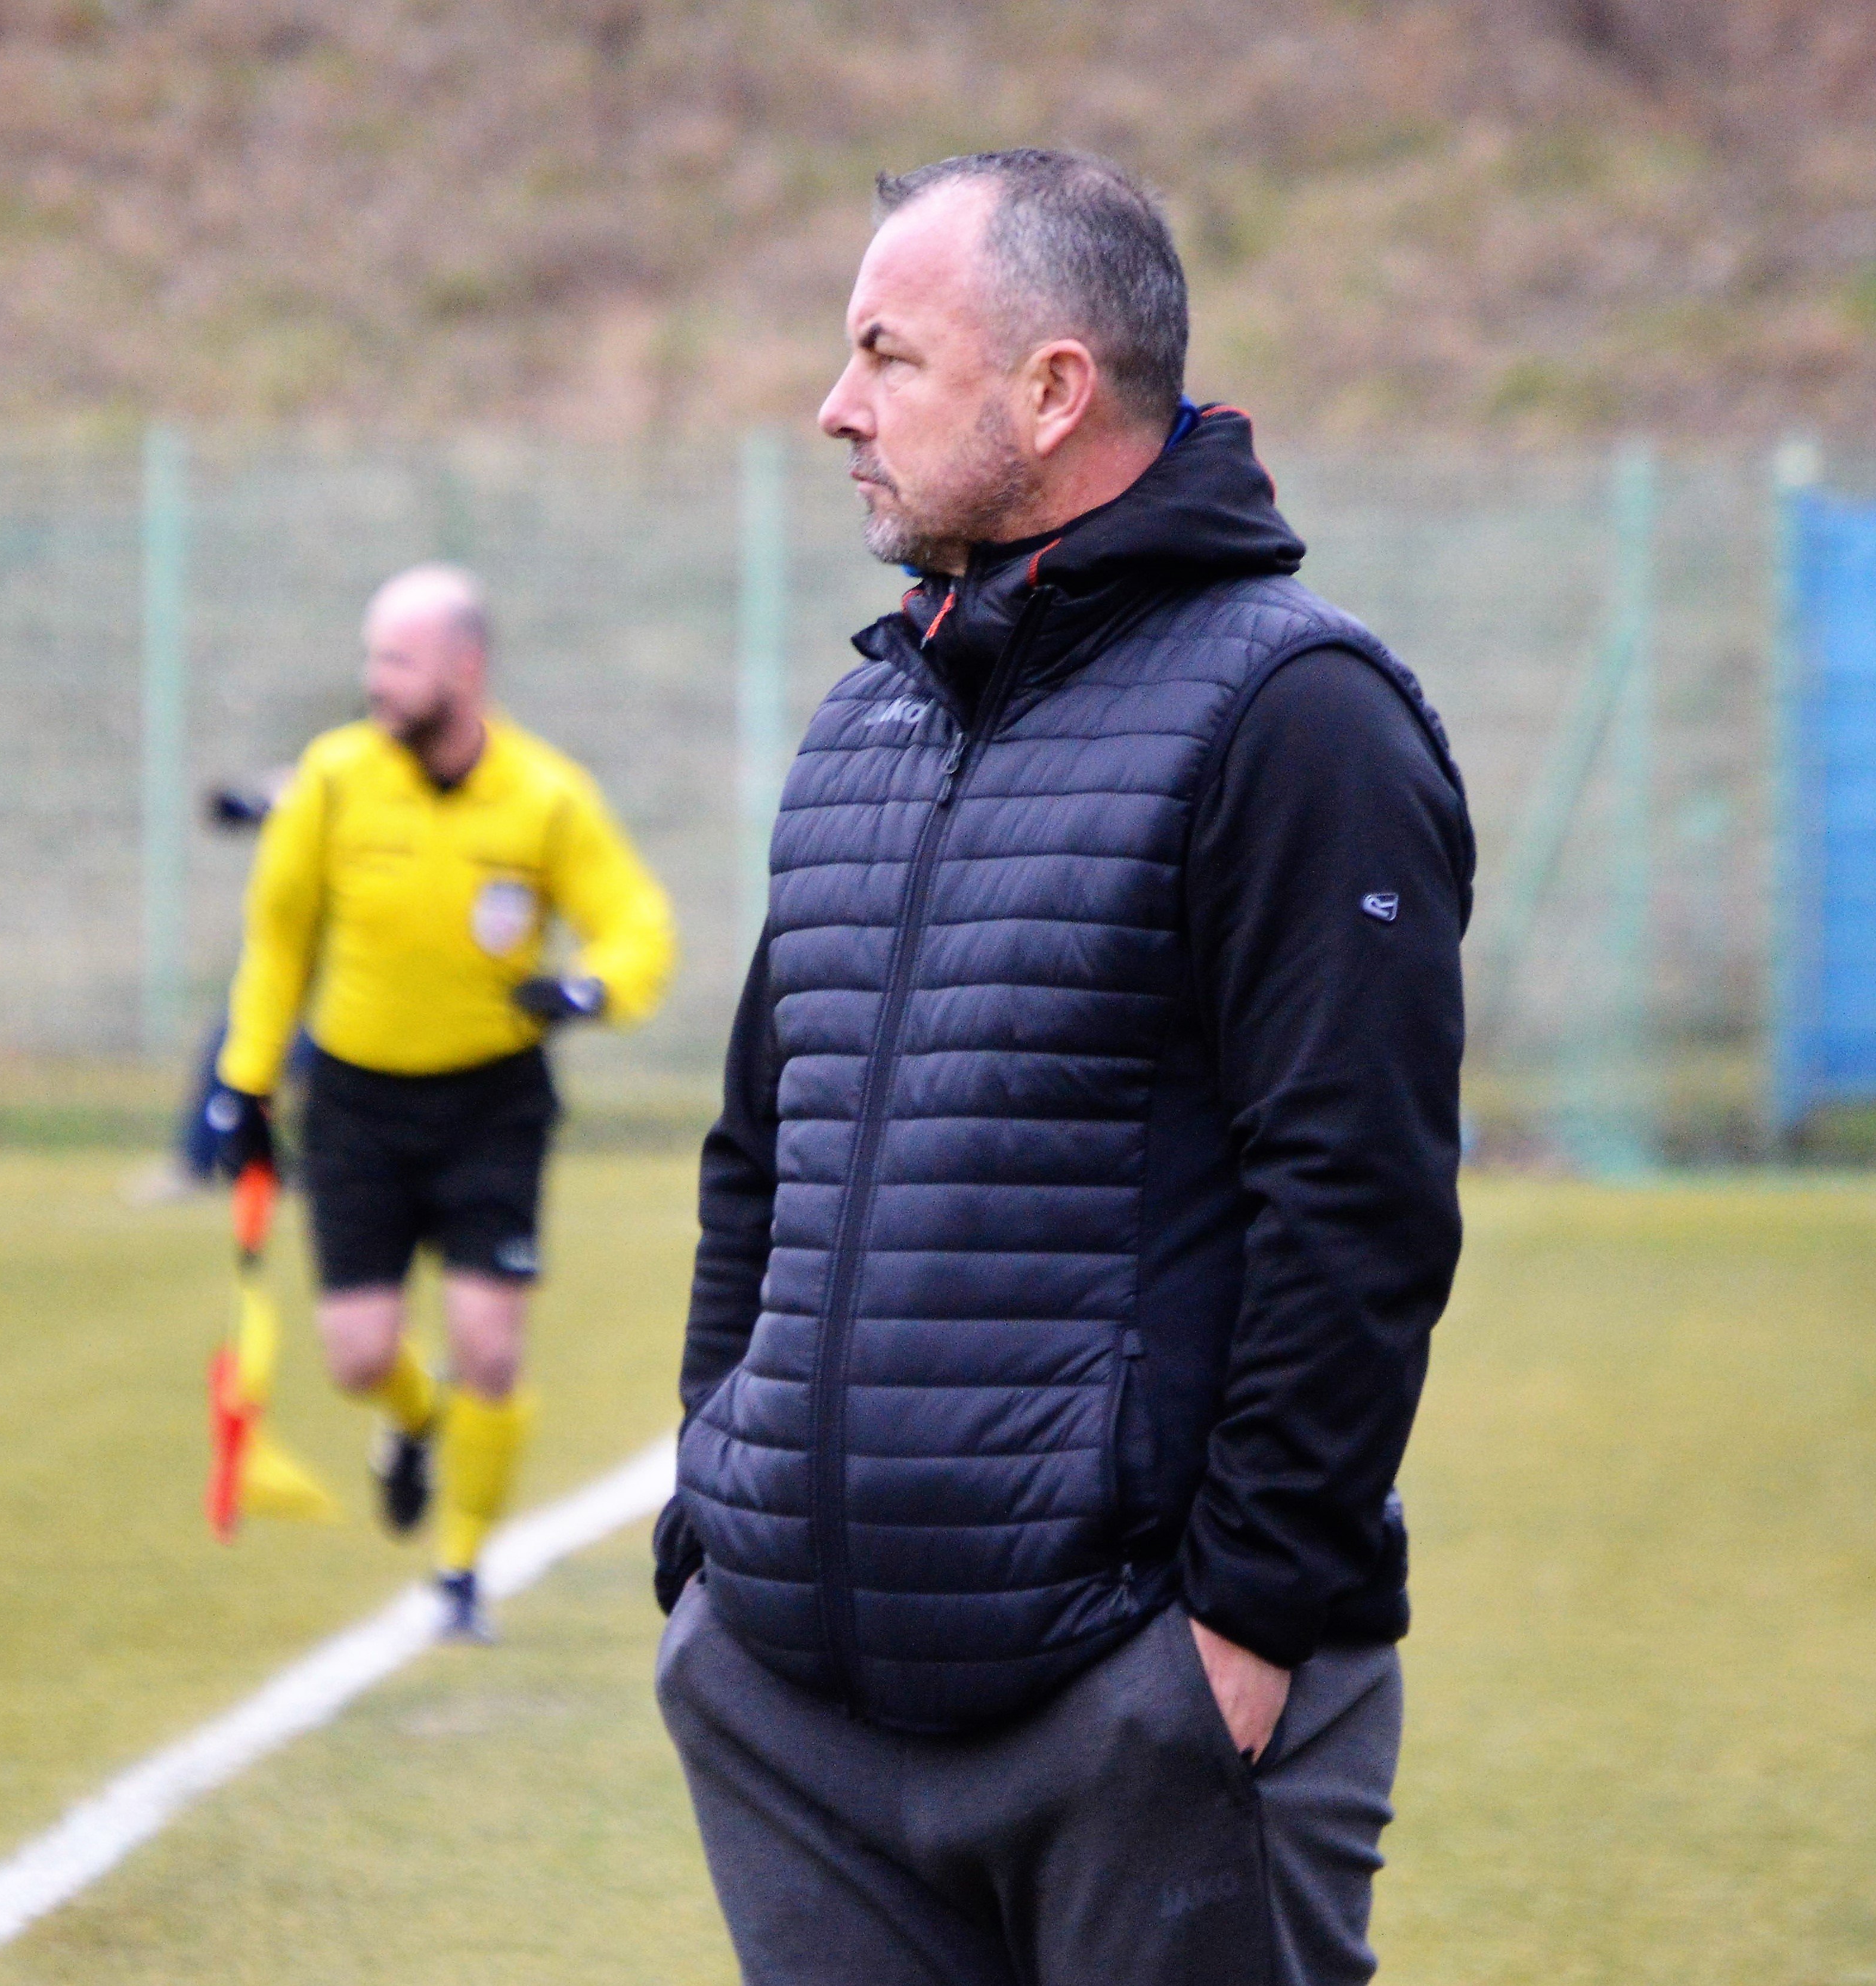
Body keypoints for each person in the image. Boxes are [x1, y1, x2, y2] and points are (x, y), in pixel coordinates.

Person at [652, 150, 1476, 1985]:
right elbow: (758, 1155)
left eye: (886, 354)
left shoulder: (1299, 719)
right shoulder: (866, 719)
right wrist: (714, 1530)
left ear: (1049, 391)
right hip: (797, 1716)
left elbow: (1354, 1206)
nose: (833, 406)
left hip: (1136, 1707)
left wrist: (1239, 1632)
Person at [203, 562, 675, 1641]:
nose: (376, 680)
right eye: (372, 657)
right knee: (359, 1355)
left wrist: (594, 988)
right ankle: (415, 1419)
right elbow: (278, 945)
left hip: (492, 1105)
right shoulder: (332, 782)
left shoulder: (546, 796)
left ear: (466, 668)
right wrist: (244, 1082)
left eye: (398, 661)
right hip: (355, 1104)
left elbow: (635, 920)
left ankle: (461, 1569)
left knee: (490, 1345)